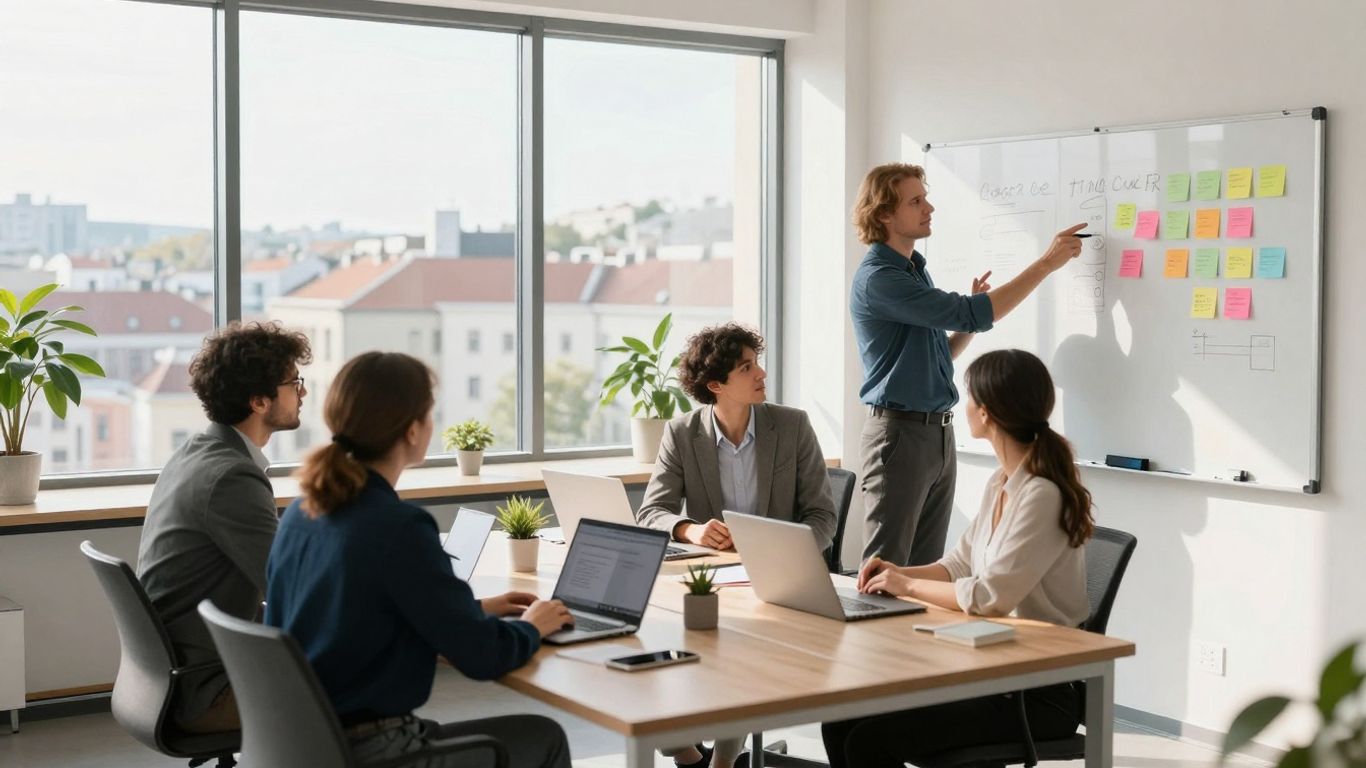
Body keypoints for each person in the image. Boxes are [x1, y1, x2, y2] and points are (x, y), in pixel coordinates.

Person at [265, 351, 573, 768]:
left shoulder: (302, 512)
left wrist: (476, 609)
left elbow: (357, 610)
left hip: (303, 743)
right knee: (544, 737)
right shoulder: (398, 526)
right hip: (373, 751)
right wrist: (532, 627)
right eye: (429, 414)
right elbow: (483, 656)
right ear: (412, 430)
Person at [821, 349, 1093, 768]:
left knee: (870, 740)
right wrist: (897, 571)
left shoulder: (1041, 494)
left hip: (1034, 692)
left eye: (968, 397)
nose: (963, 406)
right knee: (840, 720)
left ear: (986, 412)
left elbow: (988, 598)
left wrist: (907, 586)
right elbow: (958, 566)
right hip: (985, 667)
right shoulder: (1000, 482)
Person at [851, 161, 1087, 567]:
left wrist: (968, 323)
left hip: (936, 434)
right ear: (884, 213)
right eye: (915, 201)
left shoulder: (913, 270)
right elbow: (972, 312)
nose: (929, 208)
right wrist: (1046, 263)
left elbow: (940, 354)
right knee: (884, 570)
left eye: (925, 198)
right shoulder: (881, 279)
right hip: (900, 435)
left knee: (923, 569)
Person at [635, 322, 836, 767]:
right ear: (715, 385)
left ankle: (722, 763)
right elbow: (651, 512)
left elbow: (823, 516)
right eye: (747, 368)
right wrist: (689, 530)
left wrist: (789, 555)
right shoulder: (682, 433)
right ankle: (689, 756)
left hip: (777, 586)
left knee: (740, 653)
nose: (761, 373)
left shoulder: (792, 425)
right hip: (712, 583)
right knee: (643, 656)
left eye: (756, 363)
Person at [136, 321, 311, 734]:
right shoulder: (231, 477)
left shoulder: (196, 452)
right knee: (360, 681)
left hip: (173, 674)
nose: (302, 393)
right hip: (206, 689)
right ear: (259, 401)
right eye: (294, 382)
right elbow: (291, 587)